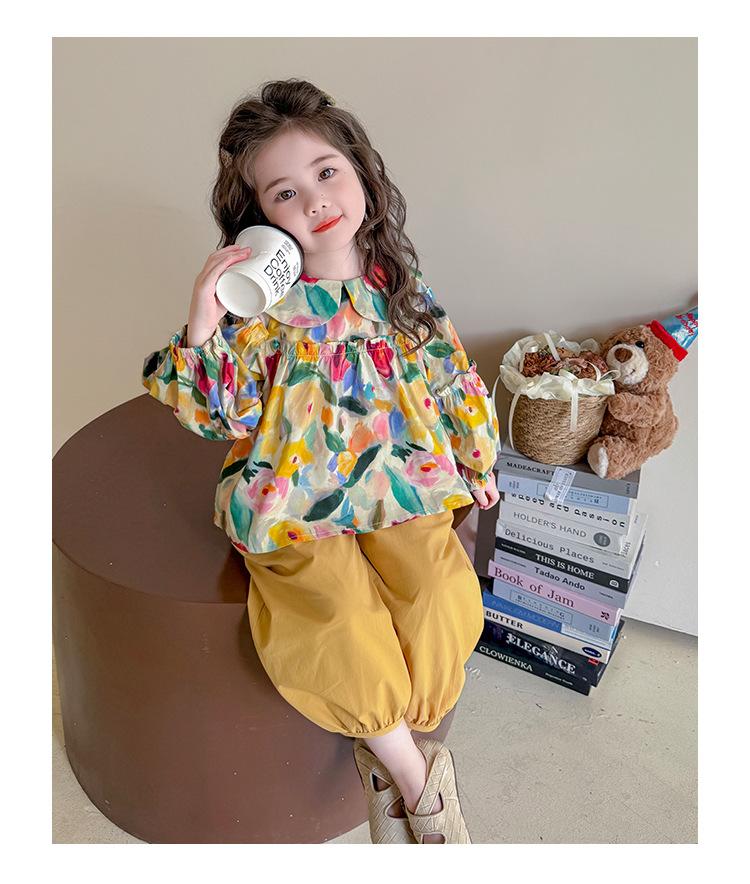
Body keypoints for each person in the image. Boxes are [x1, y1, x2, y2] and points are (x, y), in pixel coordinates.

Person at [142, 78, 501, 844]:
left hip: (403, 479)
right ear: (260, 218)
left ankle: (391, 755)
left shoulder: (397, 285)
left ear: (361, 171)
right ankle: (419, 787)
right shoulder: (262, 309)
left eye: (326, 172)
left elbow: (449, 371)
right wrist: (204, 321)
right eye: (284, 193)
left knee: (439, 593)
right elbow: (219, 414)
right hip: (294, 494)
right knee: (337, 613)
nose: (314, 201)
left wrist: (477, 457)